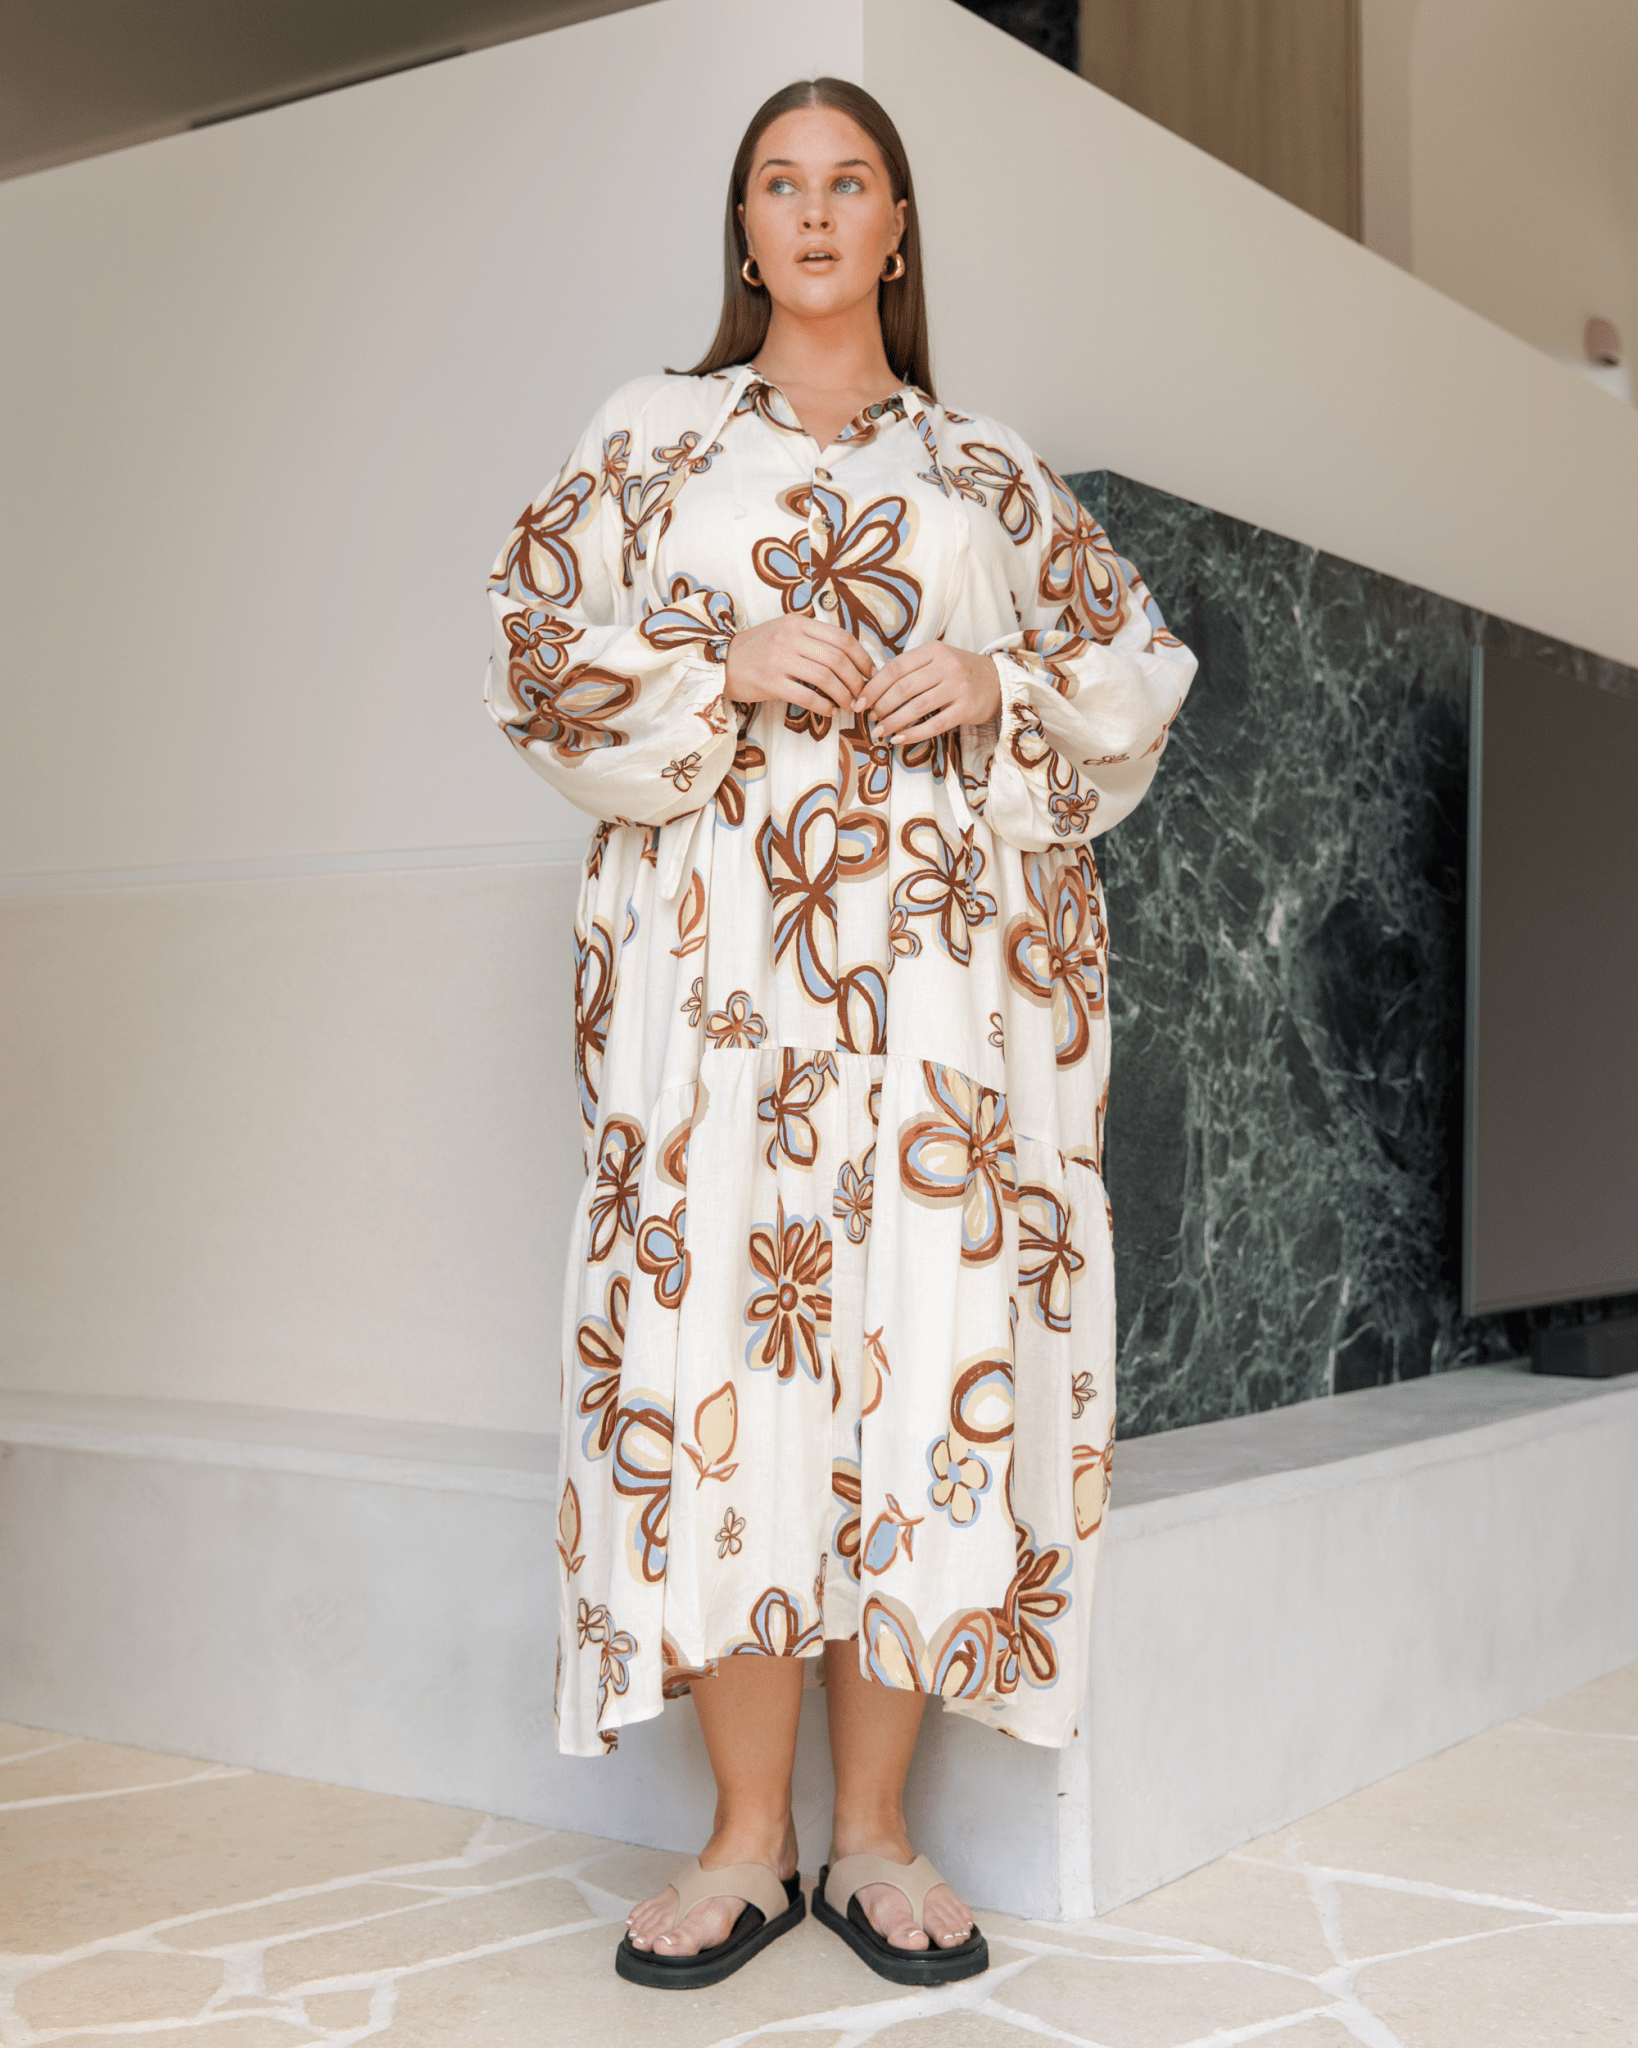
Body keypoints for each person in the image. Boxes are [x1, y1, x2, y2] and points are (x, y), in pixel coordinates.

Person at [484, 76, 1195, 1991]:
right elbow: (530, 645)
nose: (811, 212)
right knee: (727, 1335)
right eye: (778, 184)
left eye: (848, 181)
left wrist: (995, 674)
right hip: (723, 976)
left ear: (896, 228)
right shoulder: (654, 435)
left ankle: (873, 1832)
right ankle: (747, 1838)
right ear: (744, 228)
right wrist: (712, 657)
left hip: (945, 991)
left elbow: (1133, 664)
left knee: (919, 1347)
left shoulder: (982, 465)